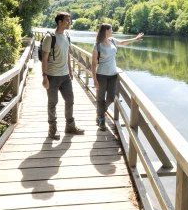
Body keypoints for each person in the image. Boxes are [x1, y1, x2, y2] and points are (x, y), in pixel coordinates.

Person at [91, 23, 144, 131]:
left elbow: (123, 42)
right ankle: (101, 120)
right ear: (105, 31)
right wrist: (94, 79)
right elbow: (93, 64)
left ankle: (100, 113)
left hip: (113, 75)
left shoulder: (113, 41)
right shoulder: (97, 45)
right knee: (100, 98)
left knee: (111, 97)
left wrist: (135, 39)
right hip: (101, 75)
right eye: (110, 30)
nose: (112, 31)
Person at [41, 12, 84, 140]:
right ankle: (52, 129)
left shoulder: (66, 35)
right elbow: (44, 58)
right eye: (67, 20)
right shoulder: (50, 37)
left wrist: (70, 72)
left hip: (65, 76)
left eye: (70, 20)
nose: (69, 23)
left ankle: (70, 126)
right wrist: (44, 77)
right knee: (52, 103)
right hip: (52, 76)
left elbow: (67, 55)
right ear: (59, 22)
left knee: (70, 100)